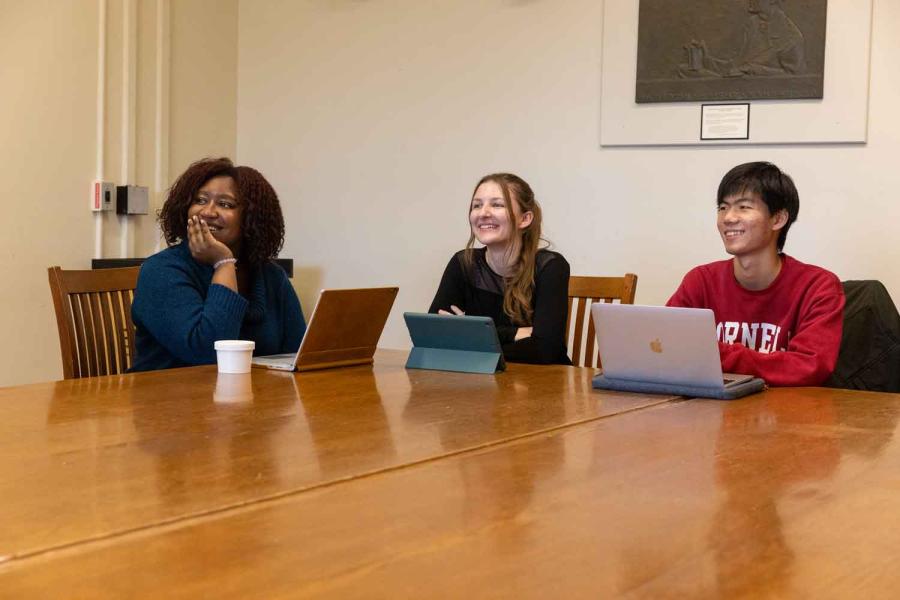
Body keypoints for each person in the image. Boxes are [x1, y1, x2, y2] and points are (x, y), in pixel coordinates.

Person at [667, 161, 844, 386]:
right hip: (713, 411)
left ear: (778, 219)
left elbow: (811, 367)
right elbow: (667, 345)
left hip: (789, 415)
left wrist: (713, 354)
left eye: (744, 207)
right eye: (722, 207)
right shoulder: (700, 280)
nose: (728, 218)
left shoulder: (818, 286)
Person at [131, 157, 305, 371]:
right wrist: (223, 263)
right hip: (167, 399)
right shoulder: (160, 271)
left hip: (251, 397)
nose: (207, 212)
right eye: (200, 200)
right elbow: (207, 354)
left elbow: (297, 354)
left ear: (251, 218)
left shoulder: (271, 276)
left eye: (225, 204)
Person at [429, 173, 570, 365]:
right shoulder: (463, 263)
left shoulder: (551, 267)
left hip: (540, 384)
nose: (483, 213)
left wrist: (470, 333)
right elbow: (431, 336)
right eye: (477, 205)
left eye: (497, 205)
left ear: (525, 219)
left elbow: (545, 349)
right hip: (479, 385)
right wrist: (515, 333)